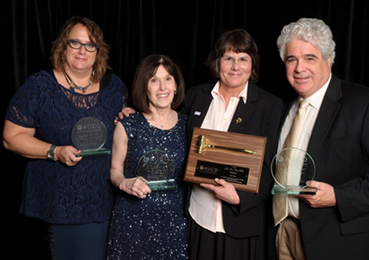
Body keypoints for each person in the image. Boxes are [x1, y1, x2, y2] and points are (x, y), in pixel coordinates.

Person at [272, 17, 369, 260]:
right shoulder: (283, 108)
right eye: (292, 59)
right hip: (284, 236)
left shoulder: (366, 103)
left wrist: (338, 196)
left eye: (310, 58)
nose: (299, 68)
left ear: (328, 59)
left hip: (341, 243)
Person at [3, 16, 128, 260]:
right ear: (63, 45)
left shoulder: (115, 88)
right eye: (75, 43)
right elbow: (11, 137)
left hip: (104, 205)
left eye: (90, 44)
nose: (83, 50)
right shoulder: (40, 86)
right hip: (55, 205)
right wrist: (55, 151)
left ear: (98, 51)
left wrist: (130, 117)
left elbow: (127, 136)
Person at [181, 29, 283, 260]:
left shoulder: (270, 106)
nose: (235, 66)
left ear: (252, 64)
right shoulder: (197, 95)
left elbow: (274, 166)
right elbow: (167, 125)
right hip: (199, 216)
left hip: (242, 222)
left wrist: (240, 198)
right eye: (228, 58)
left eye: (243, 59)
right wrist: (134, 113)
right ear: (218, 61)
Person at [107, 54, 188, 259]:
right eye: (154, 80)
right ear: (144, 86)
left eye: (168, 78)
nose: (162, 87)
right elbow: (115, 171)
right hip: (132, 224)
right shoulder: (127, 125)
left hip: (176, 225)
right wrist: (124, 183)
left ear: (176, 85)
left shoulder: (189, 126)